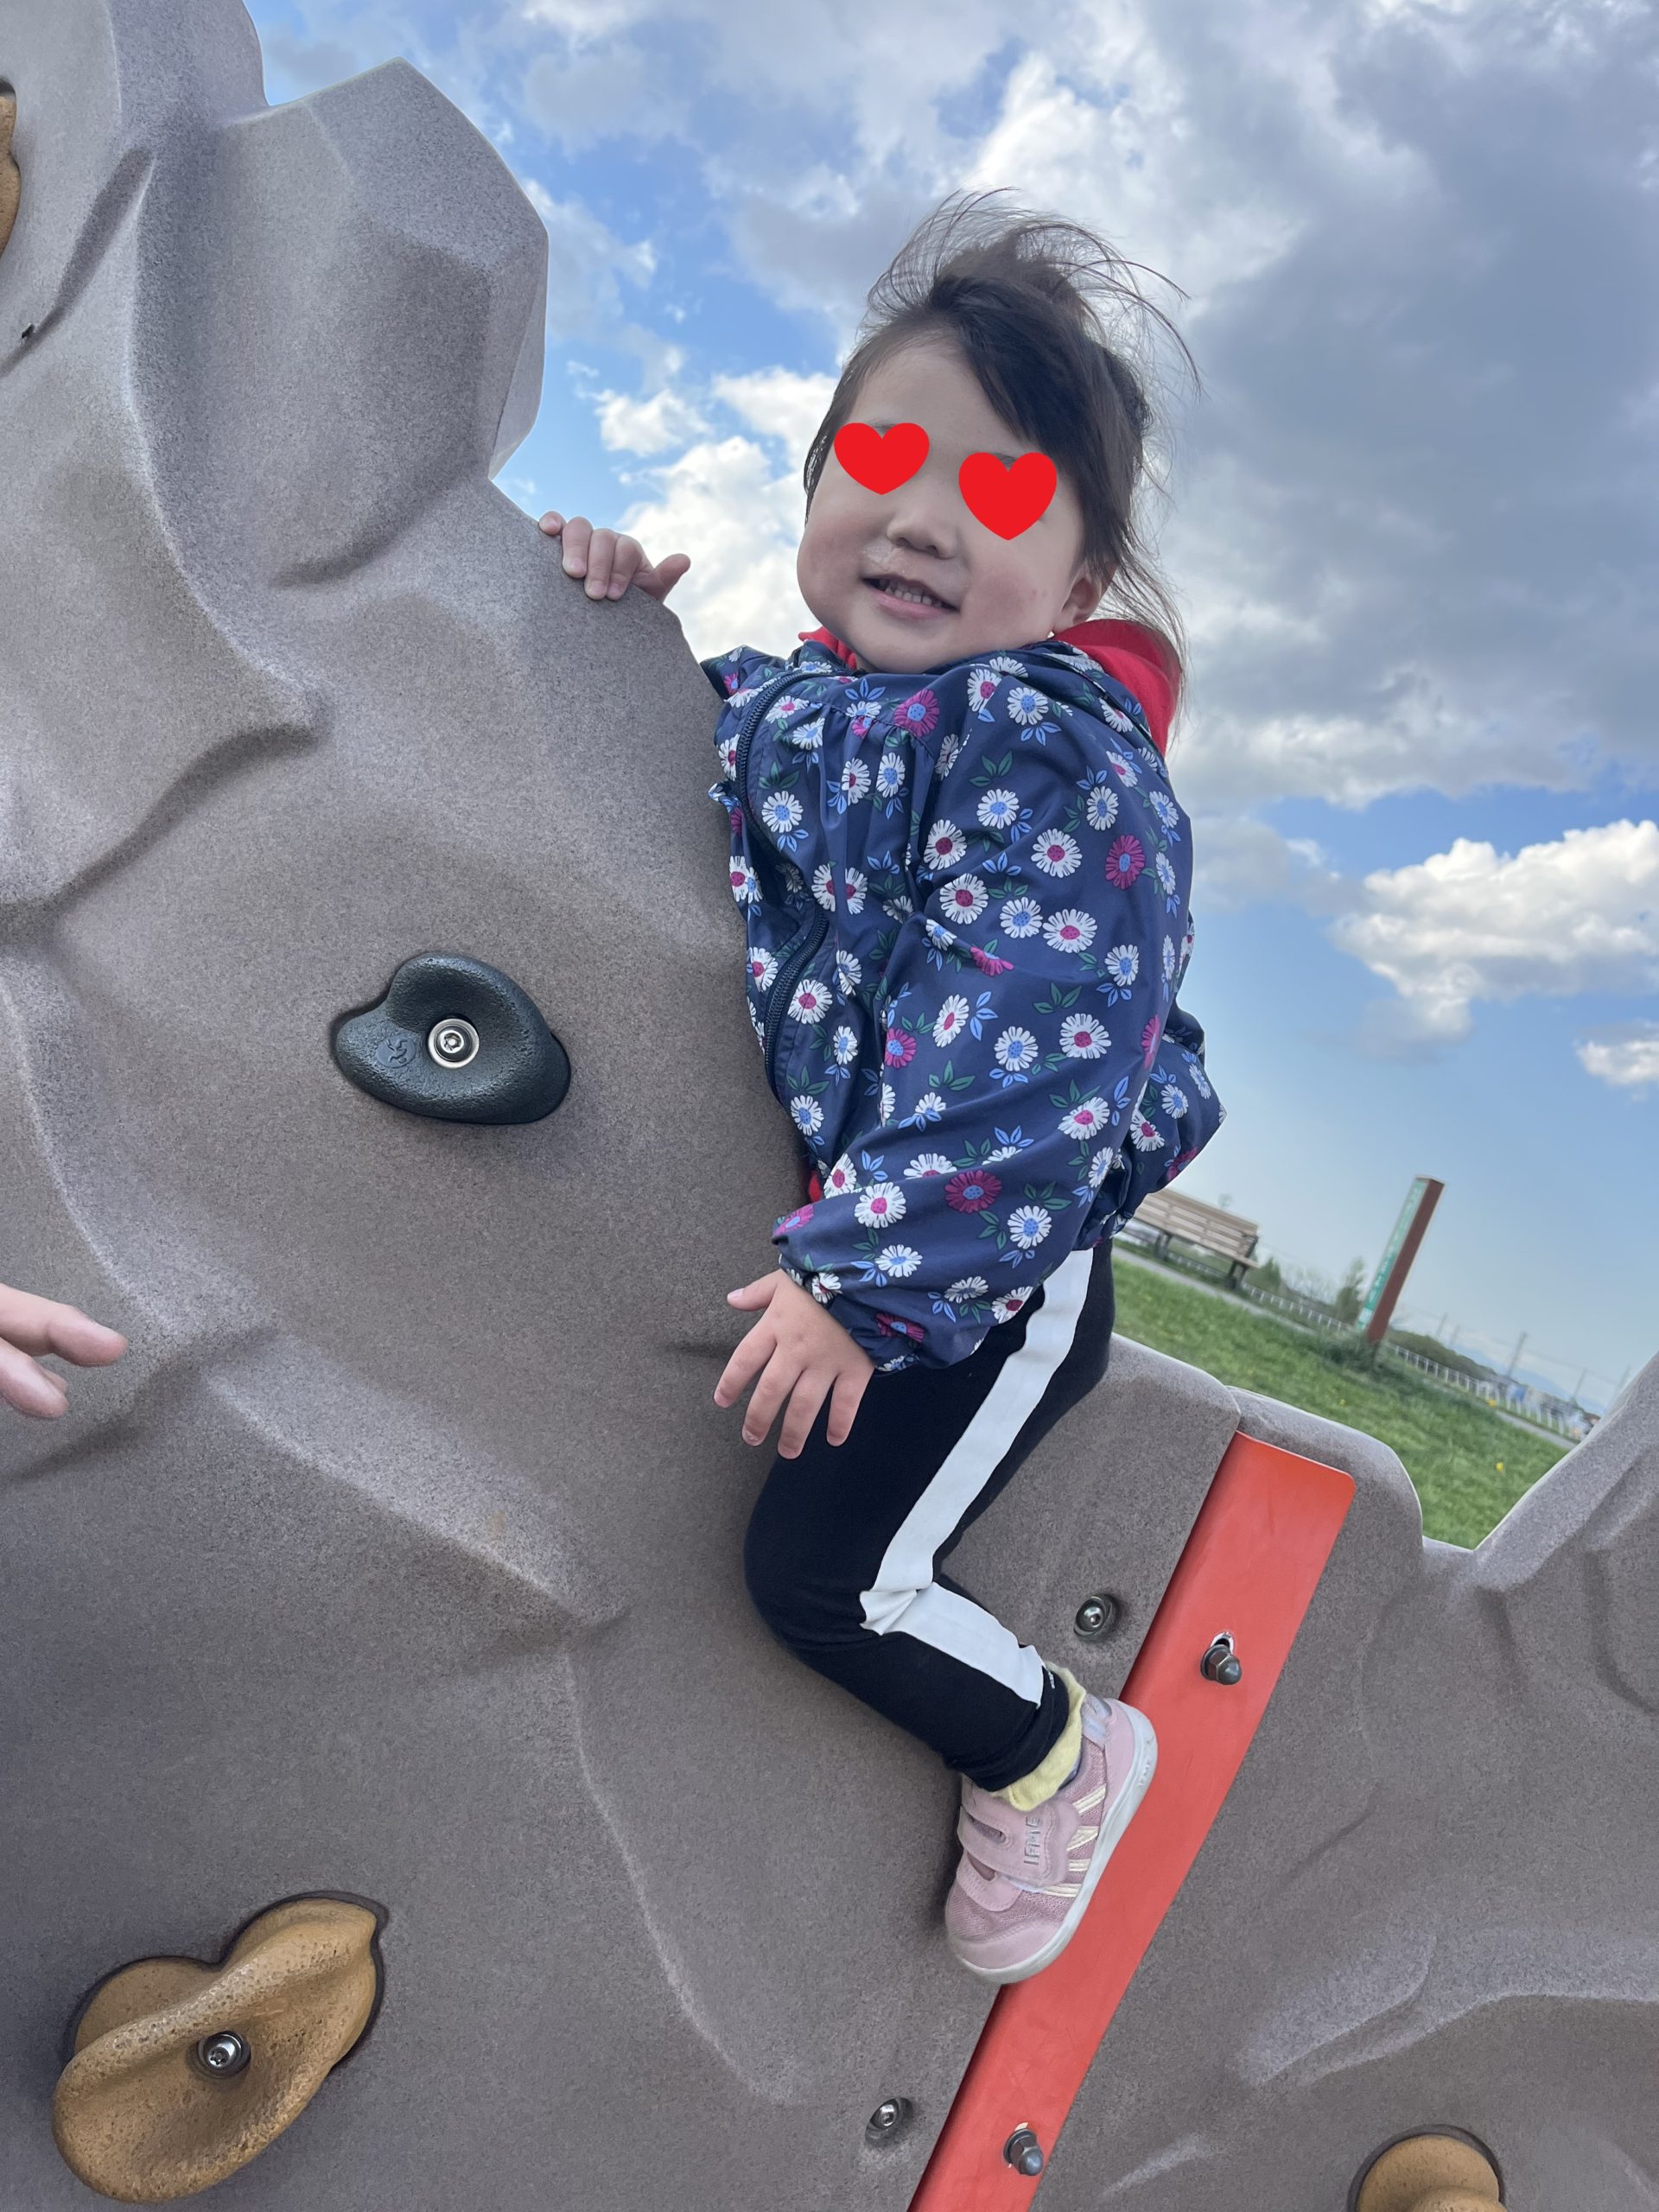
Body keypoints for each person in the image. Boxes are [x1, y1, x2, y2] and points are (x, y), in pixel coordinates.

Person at [537, 188, 1224, 1984]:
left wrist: (868, 1286)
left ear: (1078, 585)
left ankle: (1060, 1753)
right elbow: (648, 773)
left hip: (984, 1277)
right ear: (815, 482)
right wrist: (600, 618)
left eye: (1000, 489)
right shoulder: (797, 709)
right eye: (885, 457)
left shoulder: (1051, 752)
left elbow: (1036, 1049)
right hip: (882, 1247)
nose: (924, 515)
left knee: (826, 1579)